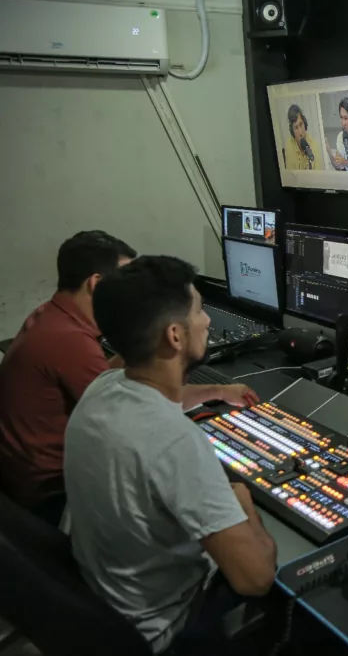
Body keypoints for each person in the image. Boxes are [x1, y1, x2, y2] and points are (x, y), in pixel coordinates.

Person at [64, 256, 273, 654]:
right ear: (175, 336)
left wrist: (215, 391)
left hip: (103, 599)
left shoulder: (103, 385)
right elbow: (255, 578)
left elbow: (150, 398)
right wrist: (244, 505)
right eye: (198, 309)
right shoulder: (175, 442)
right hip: (162, 628)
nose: (208, 320)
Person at [0, 231, 136, 525]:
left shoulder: (49, 315)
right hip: (49, 495)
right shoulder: (71, 341)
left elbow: (99, 379)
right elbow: (129, 418)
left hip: (17, 479)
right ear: (96, 283)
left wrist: (136, 341)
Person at [283, 104, 323, 171]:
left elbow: (319, 177)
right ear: (292, 131)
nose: (301, 132)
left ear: (305, 123)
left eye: (301, 124)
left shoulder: (315, 146)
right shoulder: (289, 146)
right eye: (296, 128)